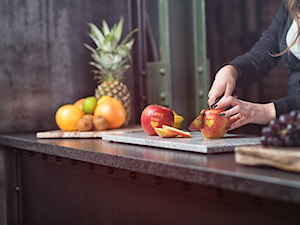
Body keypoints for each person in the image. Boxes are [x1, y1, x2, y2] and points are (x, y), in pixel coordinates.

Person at [208, 0, 300, 131]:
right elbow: (266, 50)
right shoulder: (291, 3)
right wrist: (232, 70)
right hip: (293, 124)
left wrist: (271, 110)